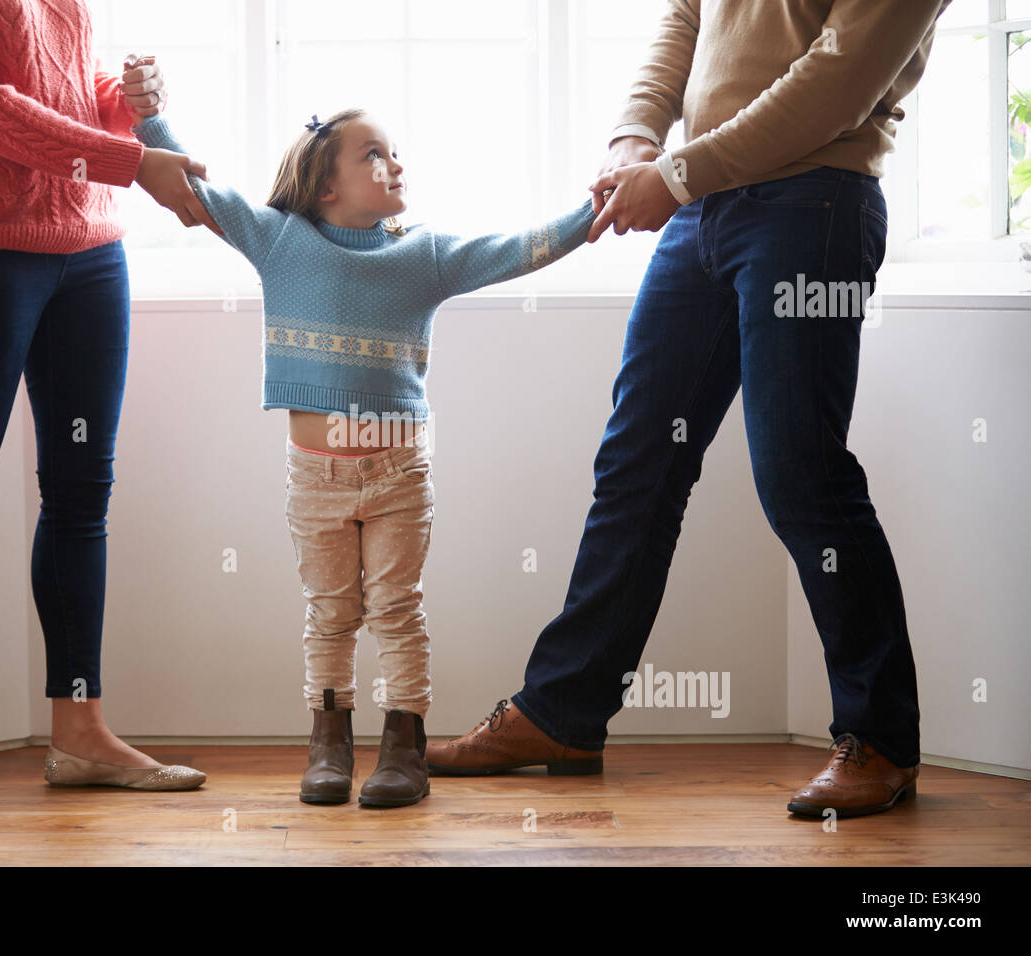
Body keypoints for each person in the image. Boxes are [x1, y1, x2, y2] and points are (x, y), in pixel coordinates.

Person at [426, 0, 951, 819]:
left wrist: (673, 175)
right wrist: (636, 138)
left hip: (812, 205)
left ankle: (881, 740)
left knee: (801, 474)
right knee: (638, 462)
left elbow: (840, 78)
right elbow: (684, 19)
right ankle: (563, 713)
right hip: (705, 209)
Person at [117, 55, 598, 807]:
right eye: (373, 153)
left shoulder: (425, 256)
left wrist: (595, 211)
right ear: (326, 184)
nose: (393, 162)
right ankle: (329, 739)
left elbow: (521, 248)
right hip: (315, 475)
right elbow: (193, 191)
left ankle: (403, 742)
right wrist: (148, 114)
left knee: (398, 609)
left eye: (394, 149)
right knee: (331, 612)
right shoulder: (278, 239)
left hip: (400, 471)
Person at [0, 0, 220, 807]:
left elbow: (65, 88)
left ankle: (79, 732)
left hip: (90, 252)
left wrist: (127, 100)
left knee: (80, 494)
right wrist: (133, 162)